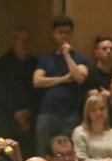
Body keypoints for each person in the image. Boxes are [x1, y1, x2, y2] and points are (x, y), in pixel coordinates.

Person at [33, 14, 90, 151]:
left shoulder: (80, 58)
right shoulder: (45, 58)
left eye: (67, 33)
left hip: (70, 113)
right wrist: (63, 79)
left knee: (66, 152)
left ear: (72, 34)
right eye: (60, 32)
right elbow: (37, 81)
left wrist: (67, 55)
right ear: (54, 34)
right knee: (44, 150)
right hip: (47, 112)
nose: (63, 36)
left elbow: (79, 78)